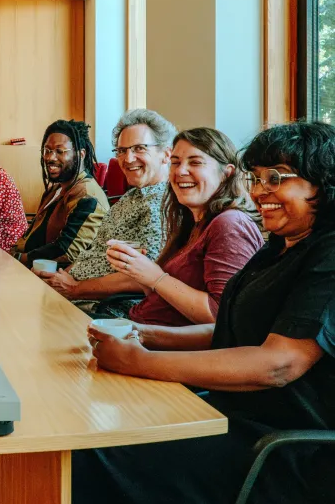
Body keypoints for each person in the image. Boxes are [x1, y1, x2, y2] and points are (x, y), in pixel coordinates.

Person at [76, 121, 335, 504]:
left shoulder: (326, 255)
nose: (261, 191)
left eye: (277, 178)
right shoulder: (277, 247)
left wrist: (140, 361)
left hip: (278, 451)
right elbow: (230, 330)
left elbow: (278, 365)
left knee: (91, 455)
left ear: (324, 185)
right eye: (257, 177)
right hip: (230, 414)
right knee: (97, 426)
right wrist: (146, 335)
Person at [103, 128, 263, 326]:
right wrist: (137, 270)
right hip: (138, 328)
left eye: (195, 162)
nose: (180, 171)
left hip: (159, 347)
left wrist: (155, 276)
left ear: (227, 173)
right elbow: (163, 298)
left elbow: (219, 316)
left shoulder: (230, 225)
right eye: (176, 162)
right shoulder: (191, 222)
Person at [36, 109, 174, 310]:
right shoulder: (130, 197)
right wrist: (63, 278)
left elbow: (146, 276)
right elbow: (95, 250)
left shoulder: (164, 204)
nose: (127, 159)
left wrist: (75, 288)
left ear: (166, 155)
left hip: (102, 309)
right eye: (122, 150)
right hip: (72, 295)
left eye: (139, 148)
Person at [14, 119, 109, 267]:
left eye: (60, 151)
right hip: (31, 267)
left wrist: (19, 259)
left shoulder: (87, 195)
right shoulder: (55, 190)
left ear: (81, 154)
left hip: (55, 279)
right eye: (47, 151)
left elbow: (68, 251)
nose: (50, 158)